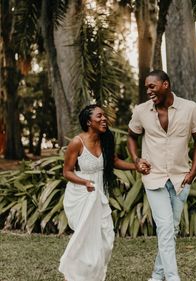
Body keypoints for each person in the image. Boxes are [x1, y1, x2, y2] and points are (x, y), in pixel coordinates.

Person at [127, 70, 196, 281]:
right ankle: (172, 278)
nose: (148, 91)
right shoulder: (141, 111)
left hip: (182, 178)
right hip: (154, 178)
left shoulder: (189, 108)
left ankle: (156, 275)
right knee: (164, 227)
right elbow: (132, 136)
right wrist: (136, 160)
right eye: (146, 87)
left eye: (152, 86)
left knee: (173, 228)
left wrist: (193, 171)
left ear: (166, 85)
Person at [59, 104, 142, 281]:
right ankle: (71, 276)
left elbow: (114, 162)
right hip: (82, 194)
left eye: (104, 116)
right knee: (85, 239)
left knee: (106, 238)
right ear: (89, 121)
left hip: (99, 194)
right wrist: (85, 182)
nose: (104, 119)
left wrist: (137, 167)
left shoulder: (105, 140)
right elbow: (67, 172)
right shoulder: (77, 142)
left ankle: (93, 276)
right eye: (99, 116)